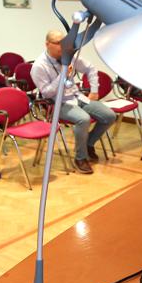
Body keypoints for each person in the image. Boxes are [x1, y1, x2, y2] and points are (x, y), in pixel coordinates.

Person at [30, 29, 115, 175]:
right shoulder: (39, 66)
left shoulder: (69, 57)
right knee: (83, 119)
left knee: (109, 115)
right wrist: (63, 76)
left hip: (77, 97)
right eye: (58, 43)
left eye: (64, 43)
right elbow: (47, 92)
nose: (62, 47)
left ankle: (88, 144)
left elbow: (90, 68)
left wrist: (94, 90)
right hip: (57, 103)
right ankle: (80, 158)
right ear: (47, 44)